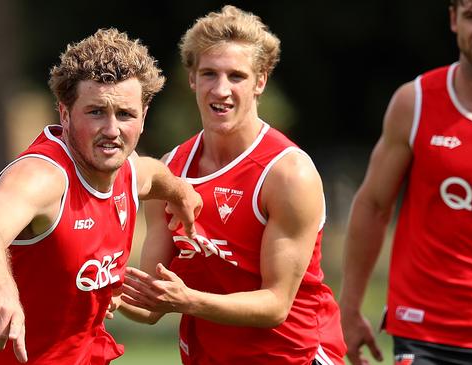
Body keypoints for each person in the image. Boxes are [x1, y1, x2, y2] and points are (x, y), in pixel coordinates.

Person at [0, 28, 202, 365]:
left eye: (125, 114)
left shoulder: (128, 170)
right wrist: (2, 292)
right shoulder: (44, 177)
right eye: (96, 112)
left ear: (143, 118)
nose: (111, 130)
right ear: (65, 114)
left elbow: (152, 175)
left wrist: (181, 192)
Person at [118, 6, 346, 365]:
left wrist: (188, 300)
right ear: (191, 78)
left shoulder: (287, 173)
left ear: (260, 81)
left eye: (236, 76)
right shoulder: (169, 171)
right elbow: (149, 306)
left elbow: (275, 304)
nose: (221, 89)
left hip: (294, 358)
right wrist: (93, 284)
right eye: (209, 73)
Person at [339, 1, 472, 364]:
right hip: (426, 332)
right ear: (453, 19)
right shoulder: (415, 102)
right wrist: (350, 307)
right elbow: (373, 206)